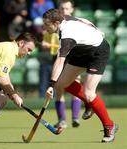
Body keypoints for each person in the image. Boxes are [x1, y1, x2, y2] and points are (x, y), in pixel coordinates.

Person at [43, 8, 118, 143]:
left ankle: (109, 126)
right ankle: (89, 103)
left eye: (46, 24)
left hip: (97, 52)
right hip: (81, 51)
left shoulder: (67, 38)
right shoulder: (64, 18)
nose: (44, 27)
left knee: (89, 93)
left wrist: (50, 85)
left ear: (55, 23)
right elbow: (84, 21)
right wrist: (95, 29)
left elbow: (60, 61)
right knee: (62, 84)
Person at [53, 0, 82, 128]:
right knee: (59, 89)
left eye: (67, 8)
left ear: (72, 9)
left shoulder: (78, 24)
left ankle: (75, 117)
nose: (64, 11)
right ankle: (63, 121)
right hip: (60, 59)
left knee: (75, 86)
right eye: (62, 9)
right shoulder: (57, 25)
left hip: (74, 60)